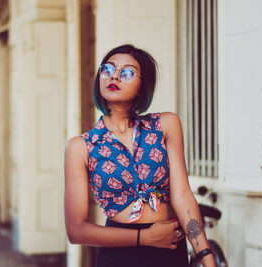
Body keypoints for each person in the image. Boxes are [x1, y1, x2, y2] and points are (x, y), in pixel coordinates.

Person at [64, 44, 216, 267]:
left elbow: (182, 195)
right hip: (118, 256)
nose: (114, 75)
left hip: (170, 248)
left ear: (142, 87)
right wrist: (144, 238)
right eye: (108, 69)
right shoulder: (81, 147)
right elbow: (76, 231)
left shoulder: (165, 125)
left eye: (126, 72)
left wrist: (205, 254)